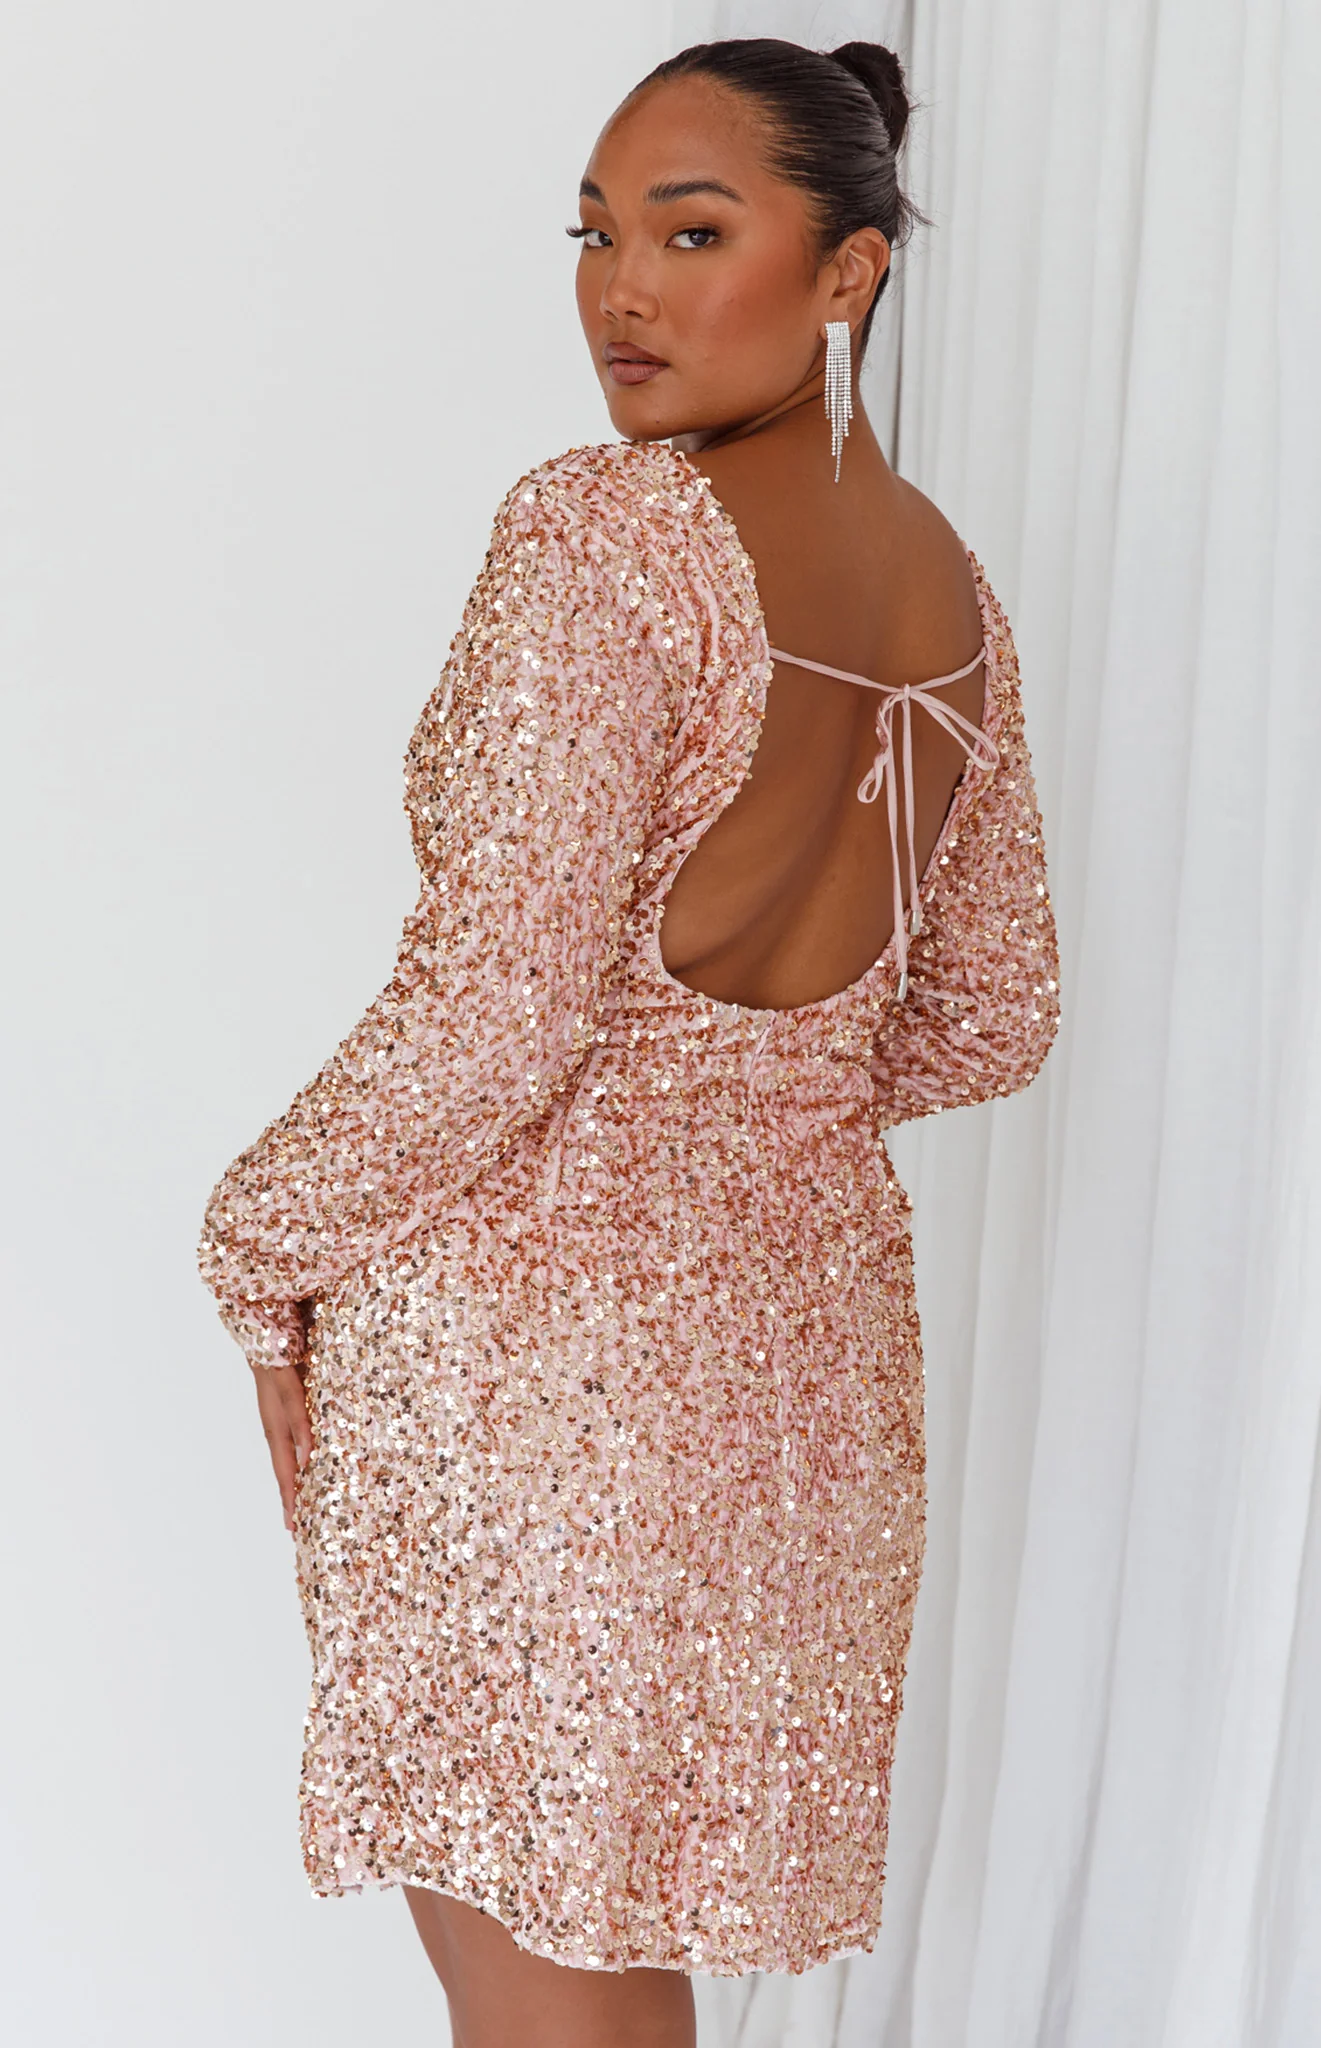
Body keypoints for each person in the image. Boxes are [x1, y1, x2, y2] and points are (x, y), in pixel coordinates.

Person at [199, 35, 1060, 2048]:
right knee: (610, 1957)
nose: (621, 292)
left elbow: (497, 1010)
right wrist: (754, 1108)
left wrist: (250, 1240)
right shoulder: (951, 595)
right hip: (802, 1360)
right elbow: (993, 1011)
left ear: (847, 272)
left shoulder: (601, 535)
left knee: (534, 1975)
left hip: (536, 1356)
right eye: (593, 236)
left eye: (690, 233)